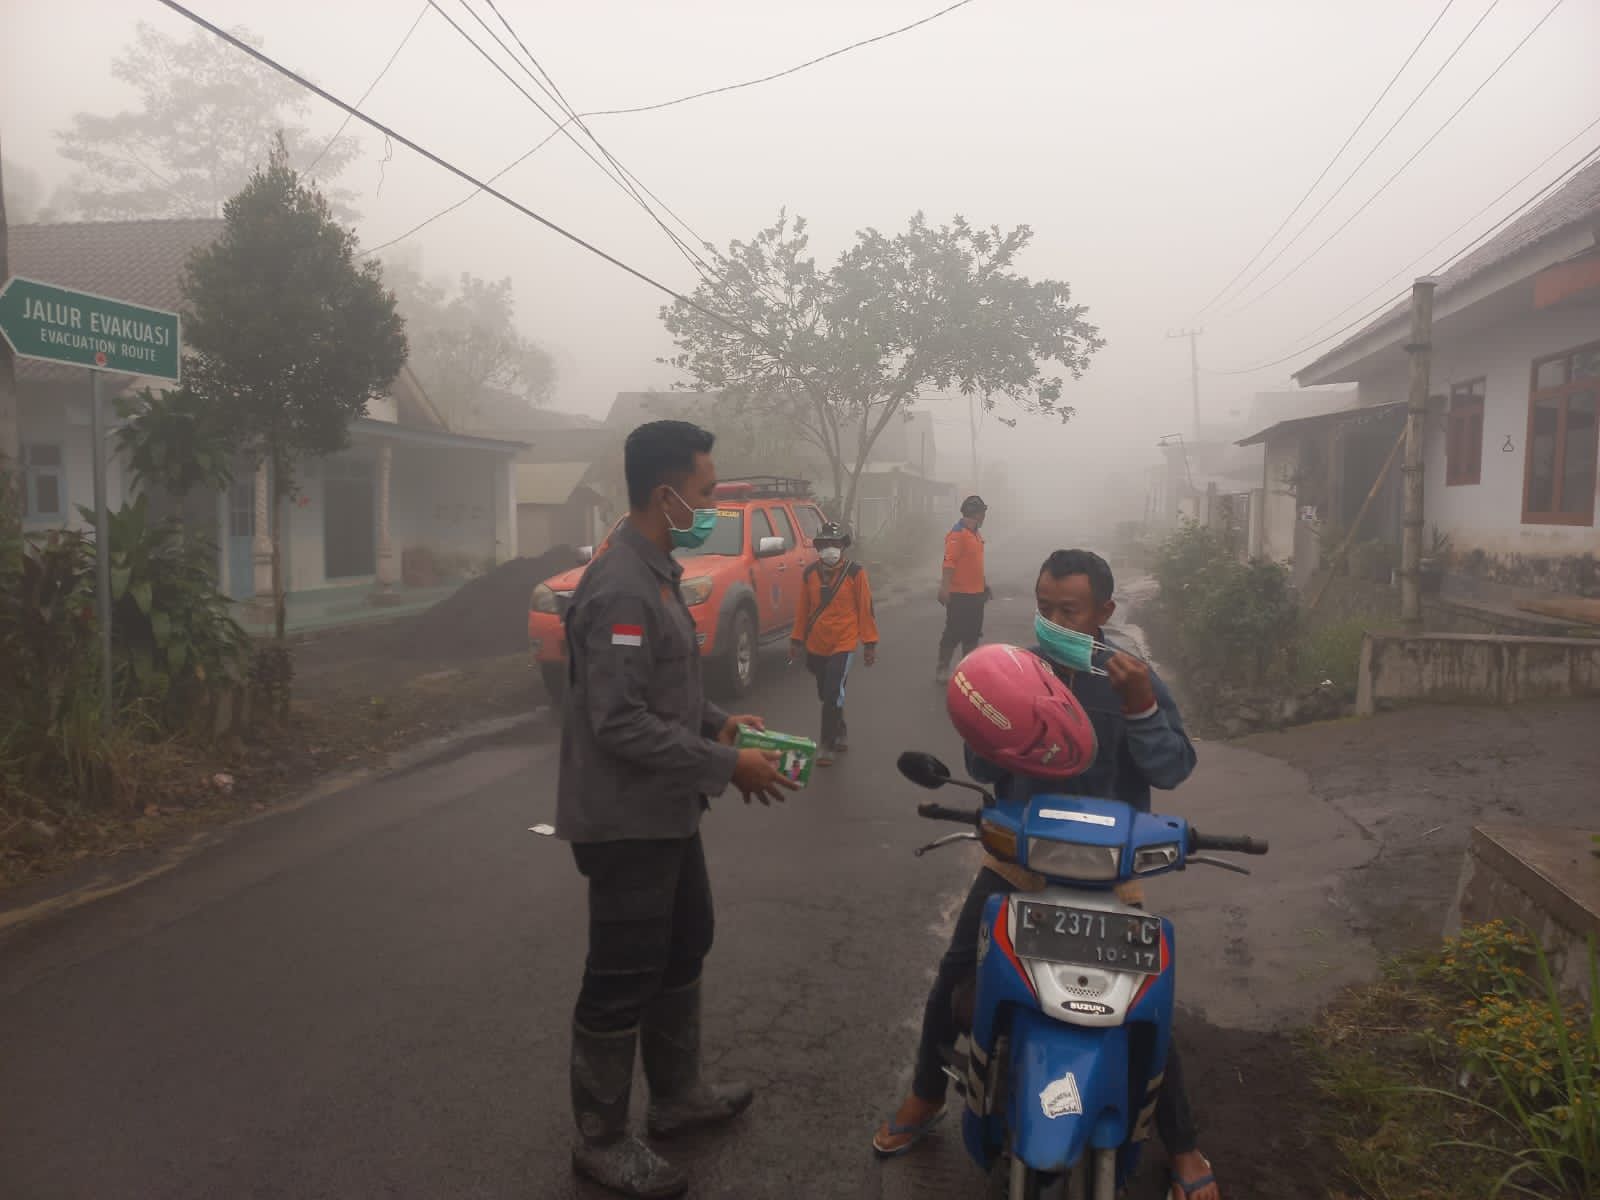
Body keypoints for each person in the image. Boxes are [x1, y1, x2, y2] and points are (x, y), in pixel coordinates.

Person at [875, 549, 1220, 1200]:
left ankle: (1184, 1143)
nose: (1053, 620)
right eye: (1044, 606)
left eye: (1071, 610)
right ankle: (927, 1095)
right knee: (956, 973)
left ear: (1104, 613)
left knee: (1143, 1010)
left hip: (1109, 874)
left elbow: (1172, 768)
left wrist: (1142, 707)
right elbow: (981, 769)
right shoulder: (1017, 669)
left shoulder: (1131, 678)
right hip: (1019, 862)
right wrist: (994, 722)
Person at [557, 419, 798, 1199]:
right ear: (665, 492)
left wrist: (719, 723)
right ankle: (600, 1141)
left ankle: (677, 1099)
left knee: (686, 941)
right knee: (622, 975)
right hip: (626, 819)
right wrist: (730, 764)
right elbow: (617, 720)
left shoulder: (656, 568)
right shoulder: (622, 584)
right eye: (701, 492)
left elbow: (663, 692)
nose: (707, 504)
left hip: (666, 809)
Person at [789, 522, 878, 767]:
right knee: (826, 693)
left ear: (843, 547)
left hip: (845, 642)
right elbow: (802, 610)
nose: (830, 549)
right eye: (825, 544)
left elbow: (865, 608)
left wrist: (869, 644)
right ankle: (840, 728)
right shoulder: (809, 574)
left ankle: (826, 745)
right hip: (817, 644)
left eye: (835, 544)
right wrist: (796, 640)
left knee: (831, 693)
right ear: (818, 547)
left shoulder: (855, 573)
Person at [937, 495, 989, 683]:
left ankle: (969, 671)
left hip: (976, 593)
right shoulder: (957, 534)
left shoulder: (975, 534)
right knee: (953, 631)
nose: (984, 517)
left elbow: (975, 563)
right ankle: (942, 668)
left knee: (973, 633)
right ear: (975, 514)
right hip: (959, 594)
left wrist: (984, 585)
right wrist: (945, 587)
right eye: (983, 512)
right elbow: (949, 562)